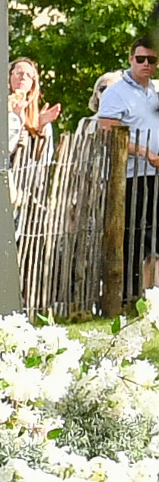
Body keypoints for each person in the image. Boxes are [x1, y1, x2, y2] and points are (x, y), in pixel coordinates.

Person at [99, 37, 159, 293]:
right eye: (141, 59)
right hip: (131, 176)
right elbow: (108, 132)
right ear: (130, 59)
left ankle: (150, 293)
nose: (146, 64)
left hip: (155, 174)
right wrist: (145, 152)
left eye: (151, 60)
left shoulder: (154, 92)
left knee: (154, 239)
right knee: (134, 238)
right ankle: (128, 295)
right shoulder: (116, 92)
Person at [8, 58, 60, 161]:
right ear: (9, 77)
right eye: (19, 73)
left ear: (33, 84)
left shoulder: (35, 118)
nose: (23, 78)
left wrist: (40, 127)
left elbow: (42, 160)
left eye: (28, 75)